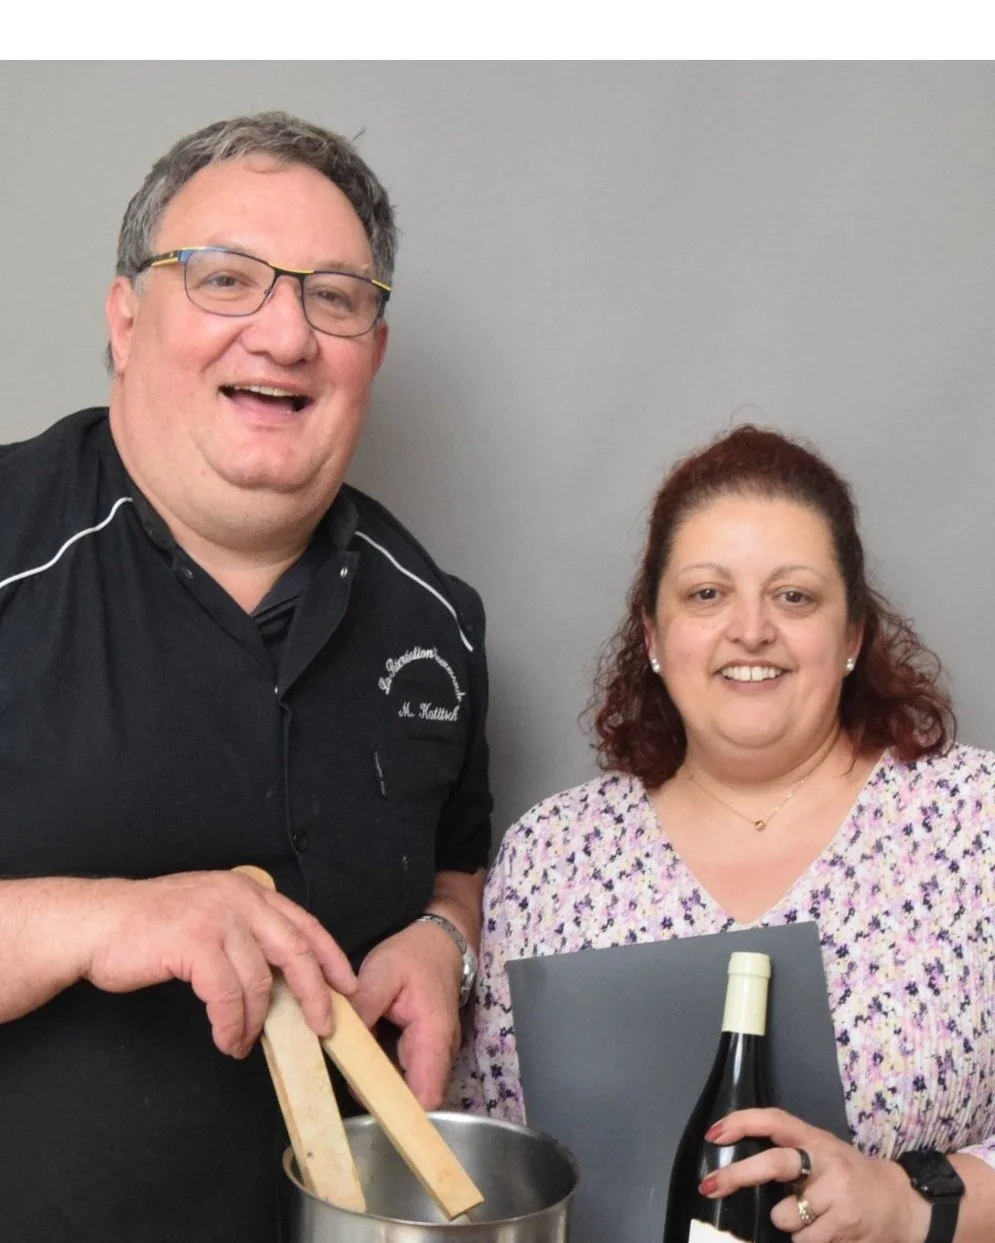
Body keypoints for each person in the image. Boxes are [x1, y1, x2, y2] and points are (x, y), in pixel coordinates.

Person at [0, 112, 490, 1242]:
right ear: (126, 320)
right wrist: (98, 924)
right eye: (226, 279)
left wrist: (442, 940)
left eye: (334, 295)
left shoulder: (438, 623)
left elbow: (458, 862)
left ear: (373, 347)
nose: (284, 334)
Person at [452, 426, 995, 1242]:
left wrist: (905, 1200)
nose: (750, 630)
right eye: (706, 593)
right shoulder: (551, 856)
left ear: (851, 636)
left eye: (794, 596)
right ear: (652, 635)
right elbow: (486, 1168)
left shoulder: (972, 821)